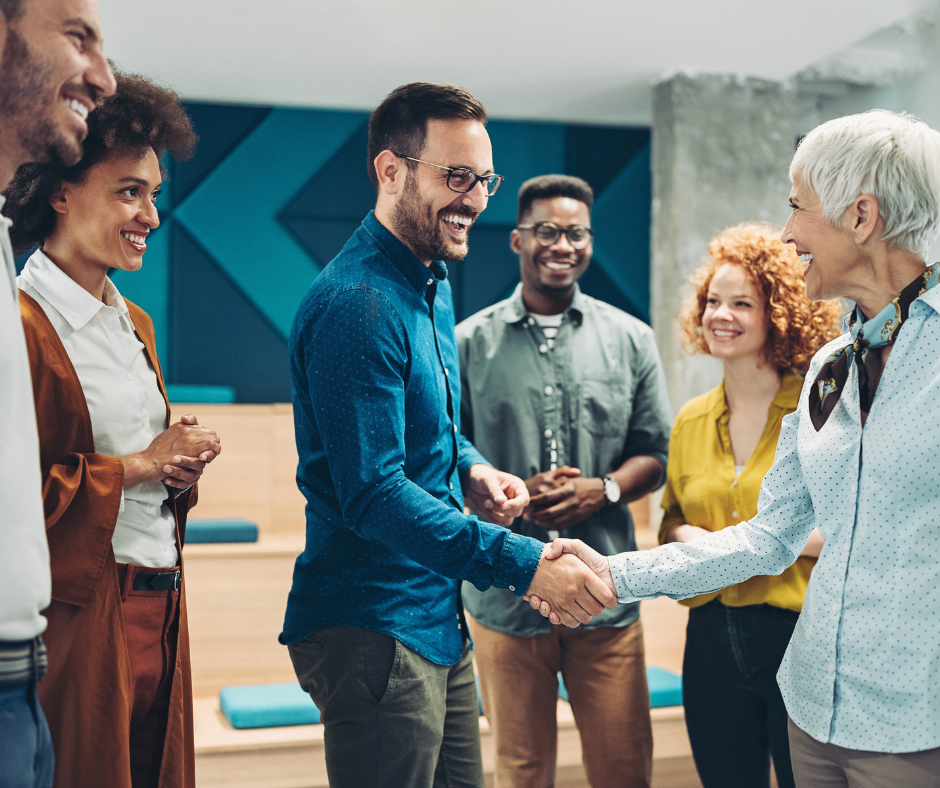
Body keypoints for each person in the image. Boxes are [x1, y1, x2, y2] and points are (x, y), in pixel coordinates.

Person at [529, 109, 940, 787]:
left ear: (862, 216)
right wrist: (612, 573)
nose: (786, 231)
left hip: (916, 727)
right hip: (811, 714)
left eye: (797, 206)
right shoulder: (830, 366)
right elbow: (767, 537)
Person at [280, 83, 616, 788]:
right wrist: (522, 561)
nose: (475, 199)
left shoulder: (429, 283)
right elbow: (373, 494)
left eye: (483, 179)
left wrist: (470, 468)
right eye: (455, 177)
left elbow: (431, 434)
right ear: (391, 171)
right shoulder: (358, 304)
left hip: (435, 609)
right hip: (373, 625)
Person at [4, 70, 219, 788]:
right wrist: (140, 466)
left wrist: (175, 469)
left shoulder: (136, 324)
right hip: (78, 620)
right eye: (130, 191)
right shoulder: (19, 323)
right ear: (59, 190)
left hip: (162, 602)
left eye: (154, 194)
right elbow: (16, 500)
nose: (152, 216)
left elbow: (143, 473)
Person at [456, 174, 671, 788]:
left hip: (606, 593)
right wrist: (507, 489)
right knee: (521, 771)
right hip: (506, 594)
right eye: (547, 231)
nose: (562, 244)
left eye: (576, 232)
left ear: (590, 241)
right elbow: (449, 450)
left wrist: (599, 489)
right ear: (518, 239)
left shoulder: (632, 339)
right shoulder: (467, 343)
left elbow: (653, 452)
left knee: (624, 766)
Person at [660, 222, 840, 788]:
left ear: (779, 313)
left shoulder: (821, 412)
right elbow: (670, 519)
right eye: (713, 301)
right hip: (711, 637)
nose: (720, 314)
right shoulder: (690, 418)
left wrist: (755, 544)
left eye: (742, 302)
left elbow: (849, 527)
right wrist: (691, 540)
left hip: (798, 634)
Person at [0, 0, 115, 785]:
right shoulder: (33, 309)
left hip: (21, 665)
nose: (103, 77)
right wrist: (138, 467)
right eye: (78, 37)